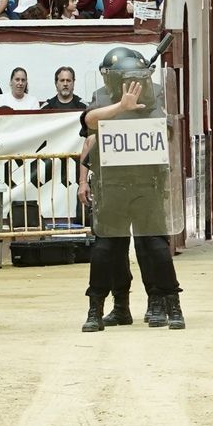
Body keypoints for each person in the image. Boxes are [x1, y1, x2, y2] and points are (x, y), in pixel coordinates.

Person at [80, 46, 185, 331]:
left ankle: (169, 303)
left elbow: (169, 131)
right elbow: (88, 124)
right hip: (111, 184)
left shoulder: (156, 94)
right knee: (105, 249)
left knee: (155, 247)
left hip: (147, 183)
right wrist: (121, 108)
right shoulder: (102, 97)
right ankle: (99, 307)